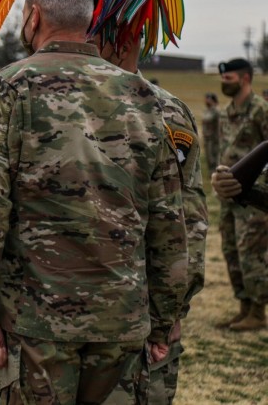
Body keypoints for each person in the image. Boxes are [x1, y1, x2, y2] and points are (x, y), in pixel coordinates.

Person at [0, 0, 188, 404]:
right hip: (122, 316)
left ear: (33, 16)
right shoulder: (143, 96)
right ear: (88, 19)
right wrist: (165, 315)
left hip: (38, 322)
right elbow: (169, 219)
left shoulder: (10, 88)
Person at [97, 33, 208, 405]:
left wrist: (172, 310)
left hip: (141, 306)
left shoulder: (167, 111)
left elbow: (188, 217)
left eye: (95, 33)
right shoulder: (73, 98)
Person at [214, 58, 268, 331]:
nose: (223, 83)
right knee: (231, 251)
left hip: (255, 199)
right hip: (229, 195)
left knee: (252, 254)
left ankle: (258, 312)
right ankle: (244, 307)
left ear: (245, 78)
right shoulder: (226, 111)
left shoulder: (261, 110)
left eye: (229, 79)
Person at [202, 92, 220, 174]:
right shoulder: (207, 111)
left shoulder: (216, 111)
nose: (206, 100)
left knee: (214, 155)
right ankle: (211, 171)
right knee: (208, 155)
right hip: (207, 137)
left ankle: (215, 171)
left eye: (207, 98)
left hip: (214, 137)